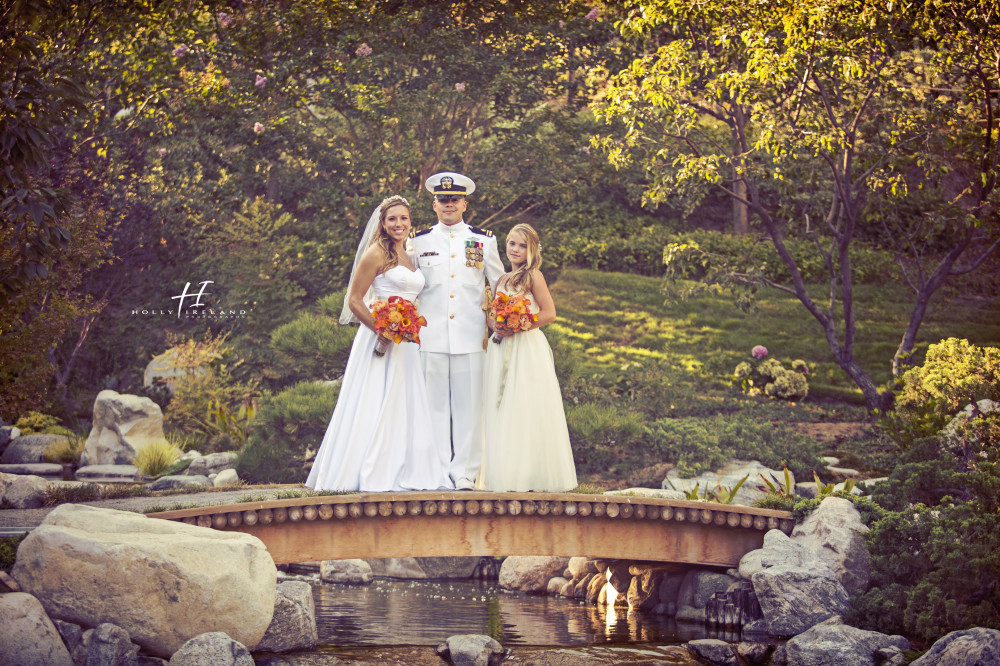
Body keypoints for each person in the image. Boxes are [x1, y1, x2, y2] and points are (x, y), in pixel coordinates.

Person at [306, 196, 452, 492]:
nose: (399, 224)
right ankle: (368, 470)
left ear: (411, 222)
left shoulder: (411, 252)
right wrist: (381, 330)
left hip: (407, 342)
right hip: (378, 338)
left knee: (405, 400)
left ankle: (407, 467)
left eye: (404, 219)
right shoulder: (375, 253)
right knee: (374, 399)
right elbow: (355, 300)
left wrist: (405, 327)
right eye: (392, 219)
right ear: (383, 223)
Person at [411, 172, 505, 490]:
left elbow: (500, 285)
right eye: (442, 200)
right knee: (433, 409)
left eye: (454, 200)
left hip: (469, 337)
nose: (448, 204)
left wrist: (502, 316)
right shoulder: (419, 242)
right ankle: (437, 472)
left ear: (464, 203)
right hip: (430, 338)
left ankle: (465, 472)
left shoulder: (483, 240)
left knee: (469, 411)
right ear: (434, 205)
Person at [479, 223, 577, 492]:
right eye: (512, 243)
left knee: (524, 404)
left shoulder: (533, 276)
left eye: (522, 245)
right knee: (502, 407)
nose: (515, 249)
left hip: (525, 348)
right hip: (500, 348)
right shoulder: (500, 280)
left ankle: (530, 475)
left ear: (531, 249)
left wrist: (519, 323)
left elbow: (549, 313)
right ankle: (505, 472)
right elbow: (490, 315)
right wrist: (496, 322)